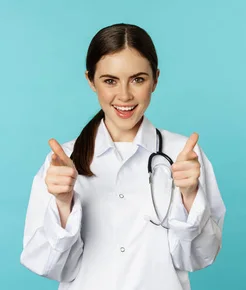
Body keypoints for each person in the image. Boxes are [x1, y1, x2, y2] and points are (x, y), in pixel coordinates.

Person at [19, 23, 226, 290]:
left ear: (156, 79)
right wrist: (62, 205)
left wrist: (189, 197)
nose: (125, 95)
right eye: (110, 81)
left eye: (138, 79)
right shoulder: (62, 164)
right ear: (90, 81)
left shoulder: (184, 155)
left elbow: (199, 257)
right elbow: (47, 266)